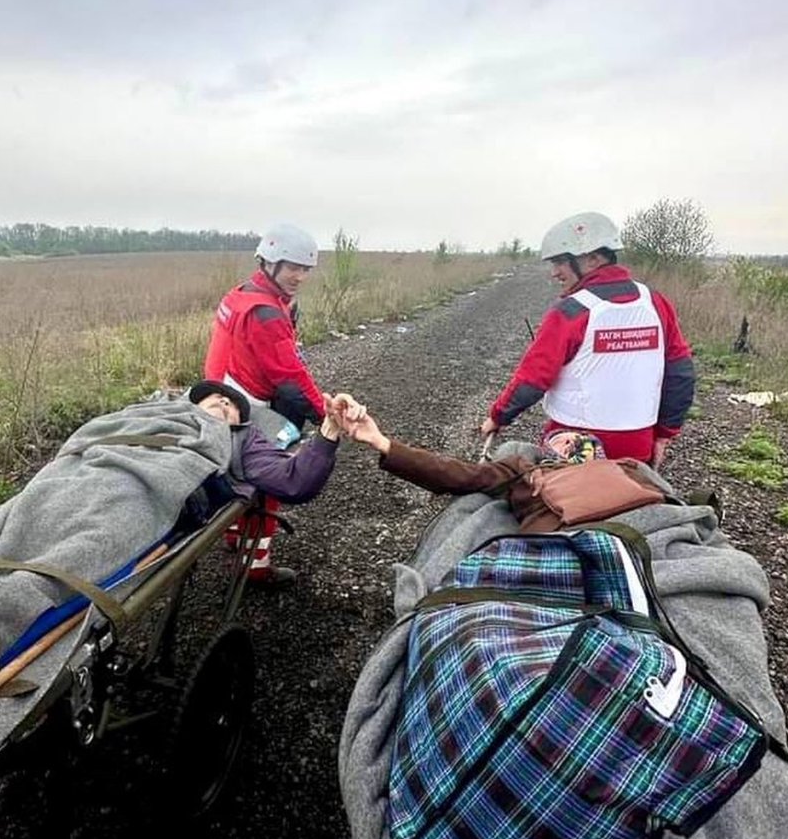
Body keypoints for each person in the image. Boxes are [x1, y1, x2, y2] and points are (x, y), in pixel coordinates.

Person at [481, 211, 695, 467]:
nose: (555, 272)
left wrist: (497, 417)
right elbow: (681, 373)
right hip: (637, 448)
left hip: (573, 449)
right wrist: (663, 436)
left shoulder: (571, 311)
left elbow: (533, 380)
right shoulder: (654, 302)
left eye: (561, 262)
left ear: (593, 259)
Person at [328, 395, 662, 533]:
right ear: (548, 452)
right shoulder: (525, 469)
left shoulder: (630, 469)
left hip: (640, 528)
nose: (571, 438)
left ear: (598, 454)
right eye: (561, 438)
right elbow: (454, 474)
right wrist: (381, 442)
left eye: (578, 439)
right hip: (569, 539)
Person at [203, 224, 327, 581]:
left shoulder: (239, 294)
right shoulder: (266, 313)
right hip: (245, 403)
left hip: (218, 393)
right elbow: (290, 377)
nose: (300, 276)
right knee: (273, 472)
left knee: (233, 471)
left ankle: (232, 534)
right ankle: (256, 566)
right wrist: (324, 415)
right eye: (293, 267)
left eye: (305, 269)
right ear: (270, 263)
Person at [188, 379, 342, 585]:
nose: (224, 401)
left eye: (229, 405)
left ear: (238, 424)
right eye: (216, 398)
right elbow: (292, 372)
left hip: (161, 496)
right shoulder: (165, 412)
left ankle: (253, 562)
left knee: (259, 488)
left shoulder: (240, 441)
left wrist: (328, 429)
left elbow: (294, 481)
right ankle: (241, 545)